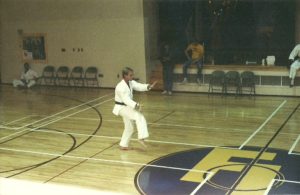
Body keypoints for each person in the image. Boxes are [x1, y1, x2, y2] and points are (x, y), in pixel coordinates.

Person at [112, 67, 157, 150]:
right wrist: (136, 105)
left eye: (132, 75)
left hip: (127, 107)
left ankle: (123, 145)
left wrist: (148, 86)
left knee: (129, 127)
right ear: (125, 76)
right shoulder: (120, 87)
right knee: (139, 116)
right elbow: (126, 100)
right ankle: (141, 137)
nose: (132, 76)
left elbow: (139, 86)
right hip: (121, 107)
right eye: (130, 75)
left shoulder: (130, 82)